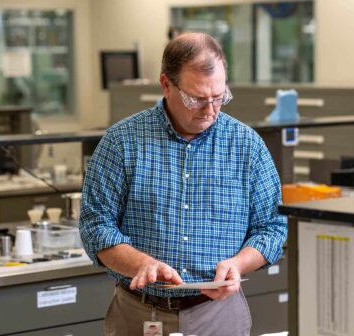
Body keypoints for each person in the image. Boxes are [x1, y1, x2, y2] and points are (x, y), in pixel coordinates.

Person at [80, 32, 287, 336]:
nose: (210, 110)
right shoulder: (122, 142)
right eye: (197, 99)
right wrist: (140, 263)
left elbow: (273, 227)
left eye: (219, 97)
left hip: (219, 315)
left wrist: (239, 264)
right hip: (139, 313)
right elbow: (95, 225)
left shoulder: (247, 146)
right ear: (166, 85)